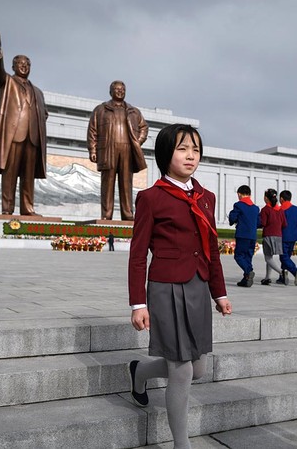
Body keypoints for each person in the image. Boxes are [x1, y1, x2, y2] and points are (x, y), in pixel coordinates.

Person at [127, 124, 232, 449]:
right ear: (165, 154)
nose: (191, 156)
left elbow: (211, 248)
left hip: (198, 287)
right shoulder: (151, 197)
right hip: (165, 289)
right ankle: (181, 445)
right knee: (182, 369)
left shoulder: (206, 197)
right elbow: (137, 253)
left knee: (197, 367)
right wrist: (137, 303)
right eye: (183, 149)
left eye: (196, 150)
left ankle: (141, 373)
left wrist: (220, 292)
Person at [0, 32, 48, 216]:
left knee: (28, 176)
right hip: (14, 134)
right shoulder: (7, 82)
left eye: (28, 64)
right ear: (13, 66)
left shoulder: (37, 91)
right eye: (20, 64)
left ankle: (27, 208)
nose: (24, 66)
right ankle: (7, 209)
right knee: (10, 173)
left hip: (33, 137)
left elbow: (43, 113)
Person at [87, 80, 149, 220]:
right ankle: (106, 215)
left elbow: (144, 127)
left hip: (127, 150)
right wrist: (93, 150)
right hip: (108, 149)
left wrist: (138, 142)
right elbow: (92, 130)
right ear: (110, 91)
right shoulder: (101, 110)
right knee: (107, 183)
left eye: (123, 89)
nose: (120, 91)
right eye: (117, 89)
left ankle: (127, 214)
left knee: (126, 183)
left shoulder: (133, 111)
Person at [228, 184, 259, 287]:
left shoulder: (239, 205)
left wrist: (233, 218)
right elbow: (259, 222)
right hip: (253, 236)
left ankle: (249, 271)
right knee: (248, 257)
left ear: (239, 194)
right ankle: (246, 279)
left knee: (239, 256)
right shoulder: (256, 208)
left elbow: (233, 217)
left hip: (243, 235)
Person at [259, 188, 286, 286]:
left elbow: (263, 223)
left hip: (268, 235)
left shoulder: (265, 209)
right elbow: (284, 224)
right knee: (270, 257)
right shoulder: (280, 210)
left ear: (266, 198)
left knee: (267, 258)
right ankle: (267, 278)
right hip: (278, 235)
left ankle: (281, 272)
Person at [277, 190, 297, 286]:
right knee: (287, 257)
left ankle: (295, 271)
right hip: (293, 236)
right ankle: (283, 277)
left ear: (281, 199)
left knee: (283, 257)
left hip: (283, 236)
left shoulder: (280, 210)